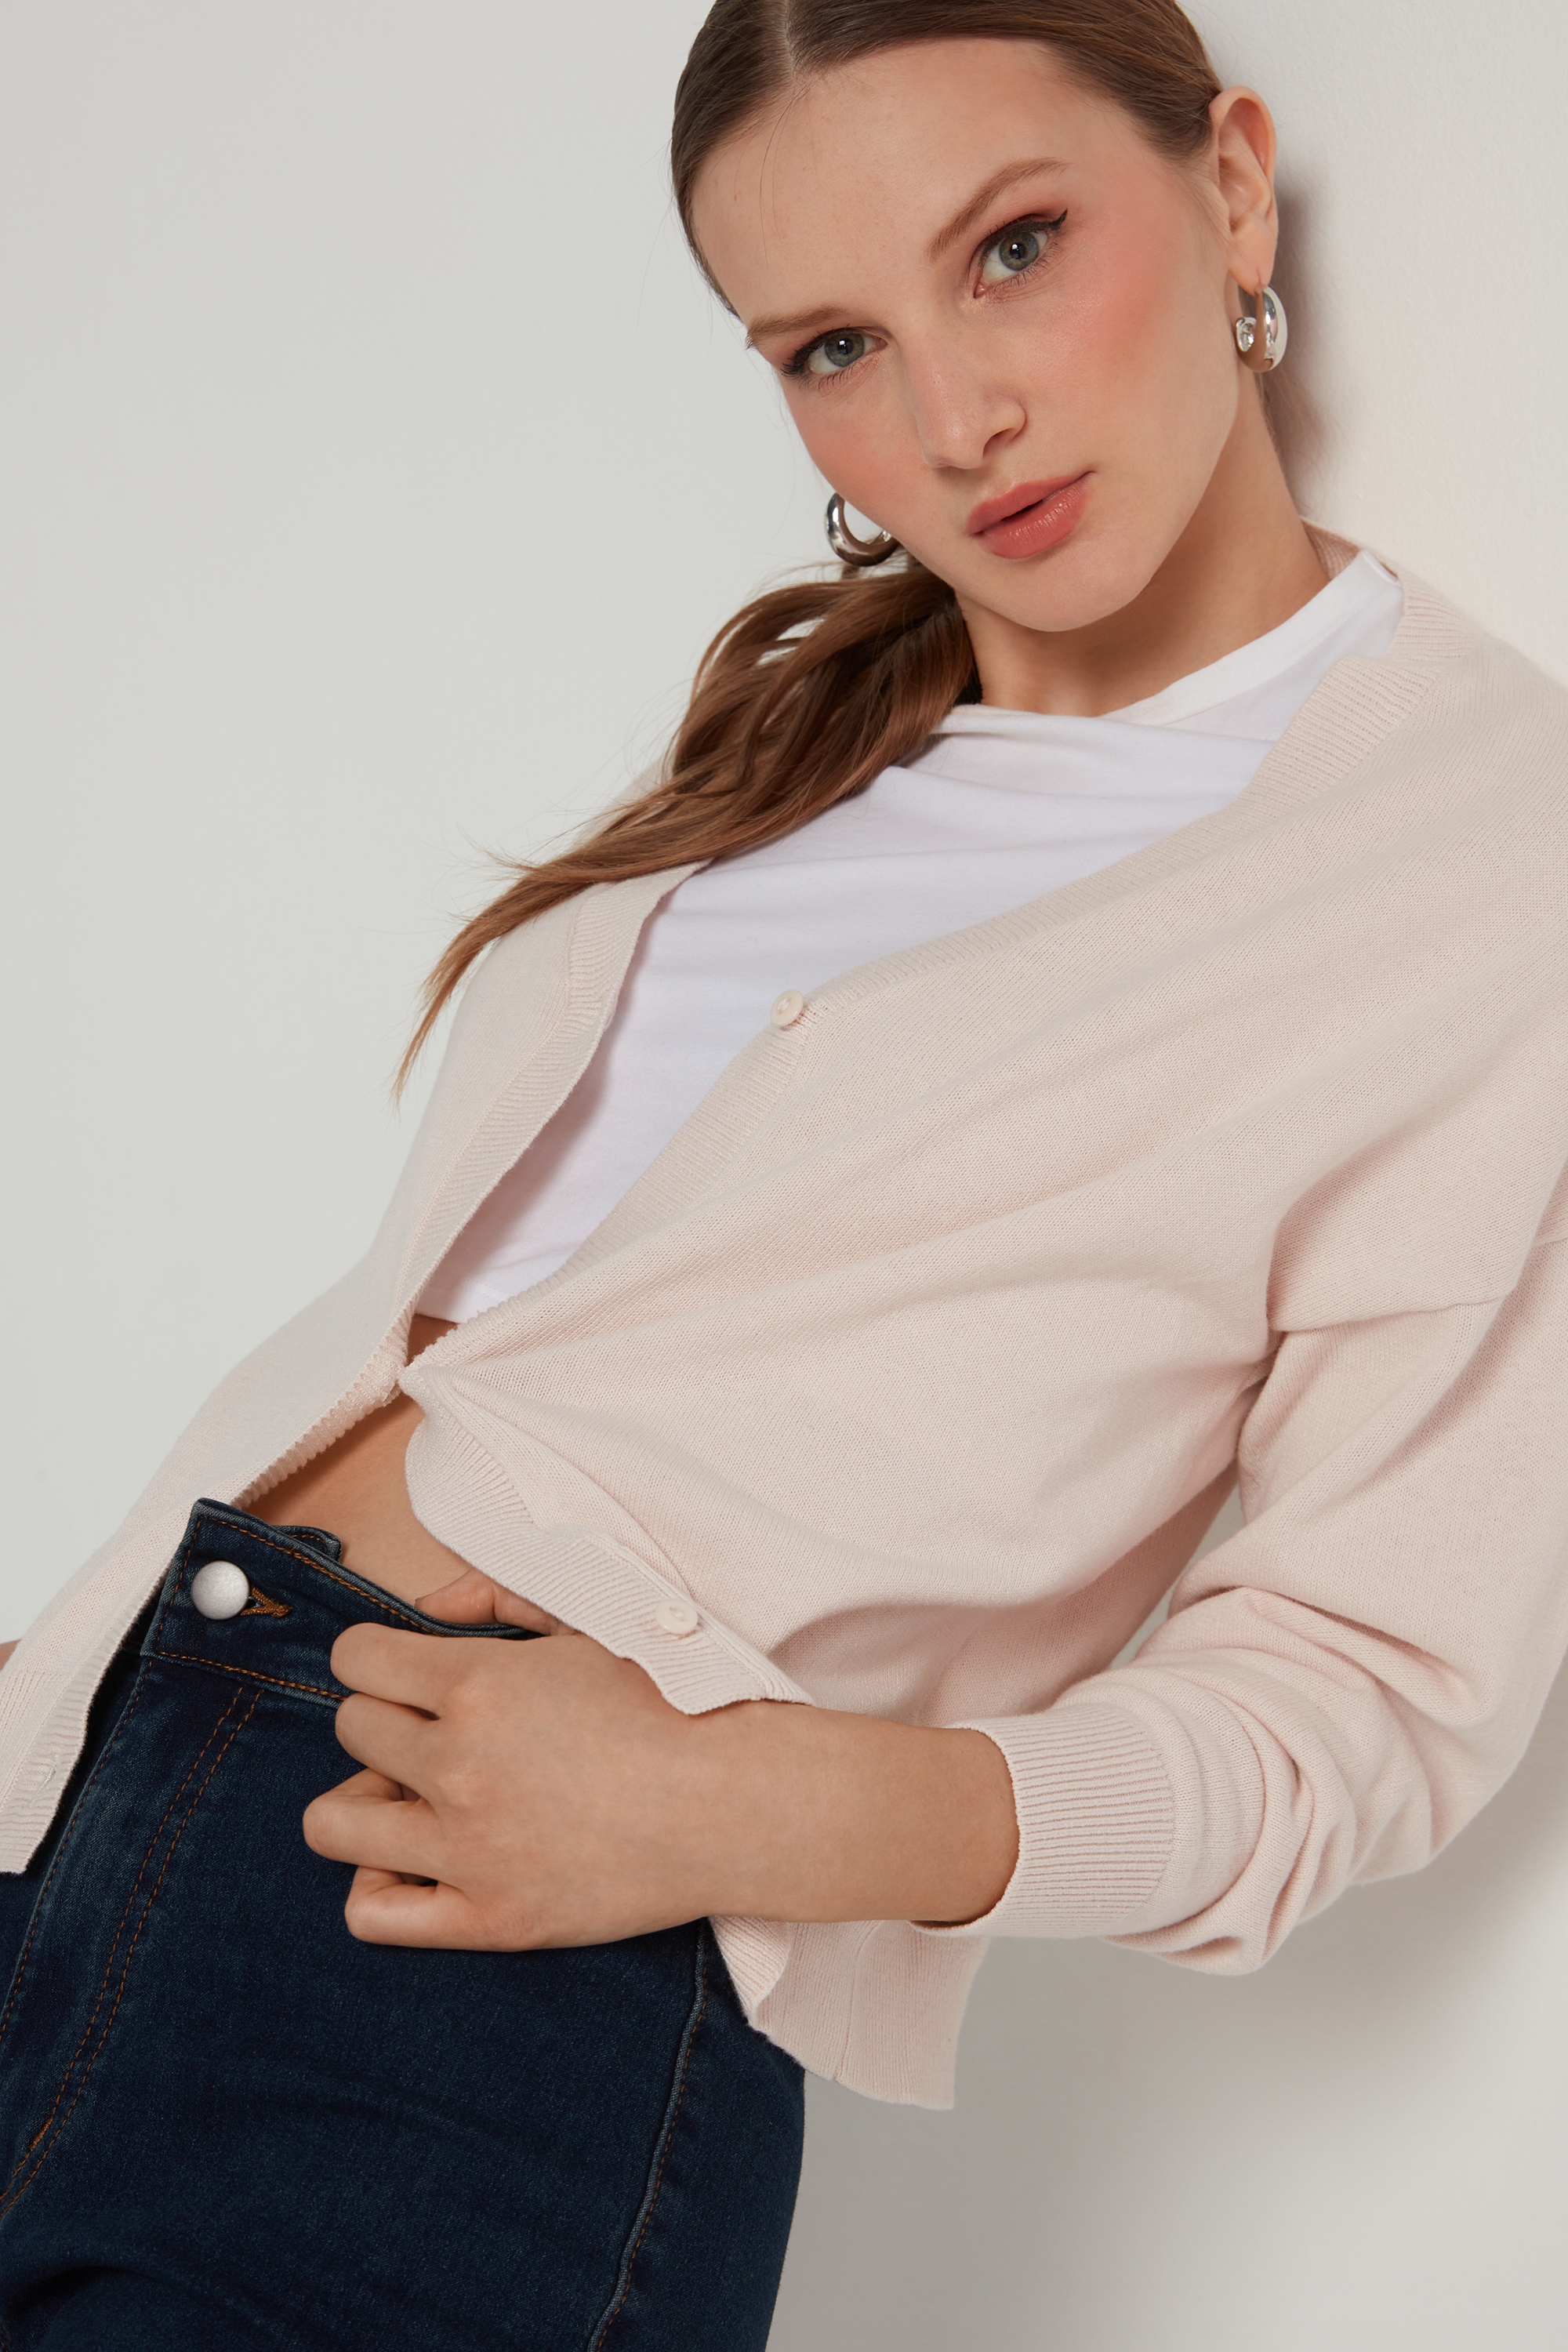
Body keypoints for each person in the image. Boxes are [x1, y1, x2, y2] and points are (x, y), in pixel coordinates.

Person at [3, 0, 1566, 2343]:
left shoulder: (1481, 859)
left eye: (1015, 248)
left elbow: (1364, 1703)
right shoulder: (817, 743)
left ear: (1233, 185)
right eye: (833, 347)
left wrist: (744, 1807)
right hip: (89, 1798)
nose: (955, 419)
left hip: (458, 1982)